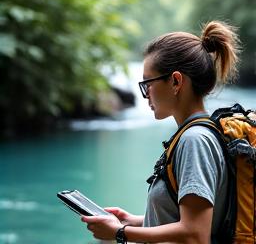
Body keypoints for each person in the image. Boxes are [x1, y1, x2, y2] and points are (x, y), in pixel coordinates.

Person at [81, 20, 240, 244]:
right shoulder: (200, 134)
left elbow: (195, 234)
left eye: (148, 83)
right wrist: (132, 221)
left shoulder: (195, 141)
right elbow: (190, 219)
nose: (145, 94)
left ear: (176, 81)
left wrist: (119, 233)